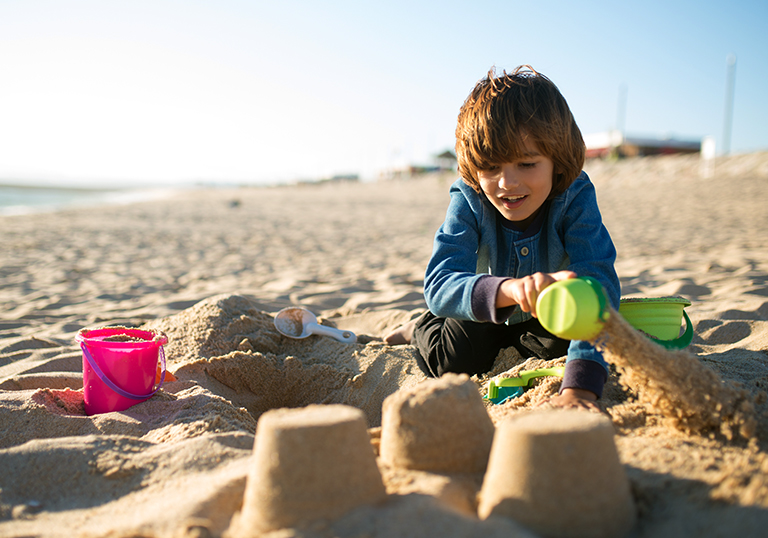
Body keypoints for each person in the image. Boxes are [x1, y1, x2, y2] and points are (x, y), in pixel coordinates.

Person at [385, 65, 620, 412]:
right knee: (456, 362)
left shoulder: (575, 195)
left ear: (557, 160)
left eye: (527, 164)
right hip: (481, 312)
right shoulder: (469, 198)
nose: (507, 183)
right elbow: (439, 285)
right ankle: (419, 328)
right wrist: (509, 289)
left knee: (564, 345)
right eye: (491, 167)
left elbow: (598, 281)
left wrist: (581, 387)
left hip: (543, 311)